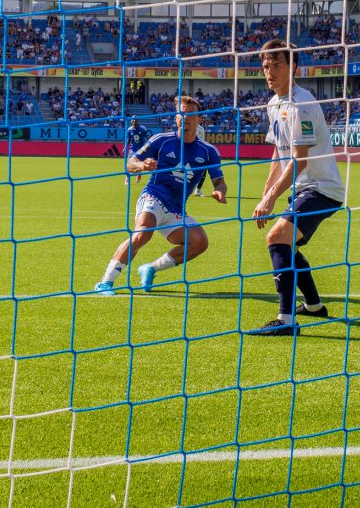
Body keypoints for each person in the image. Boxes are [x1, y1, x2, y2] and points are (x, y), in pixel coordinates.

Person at [247, 39, 345, 336]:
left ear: (294, 68)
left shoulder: (301, 103)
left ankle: (286, 319)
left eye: (277, 65)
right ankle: (314, 306)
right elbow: (279, 153)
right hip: (303, 189)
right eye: (266, 65)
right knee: (285, 243)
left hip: (322, 189)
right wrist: (267, 193)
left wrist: (272, 198)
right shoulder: (273, 104)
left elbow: (300, 160)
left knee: (277, 236)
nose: (269, 71)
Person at [95, 96, 227, 295]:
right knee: (142, 233)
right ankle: (105, 282)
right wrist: (141, 165)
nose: (186, 117)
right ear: (175, 118)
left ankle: (151, 268)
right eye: (181, 113)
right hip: (153, 197)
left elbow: (220, 181)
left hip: (176, 209)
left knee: (200, 242)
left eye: (191, 114)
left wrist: (220, 191)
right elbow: (130, 162)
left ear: (199, 119)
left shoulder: (209, 151)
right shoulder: (161, 140)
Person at [124, 116, 149, 186]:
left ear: (138, 121)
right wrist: (125, 146)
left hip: (141, 149)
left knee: (140, 163)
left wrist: (146, 146)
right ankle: (127, 179)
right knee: (128, 164)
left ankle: (139, 174)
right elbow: (128, 140)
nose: (134, 122)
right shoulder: (129, 129)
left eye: (135, 120)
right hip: (132, 149)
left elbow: (145, 138)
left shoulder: (143, 128)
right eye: (133, 120)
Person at [194, 123, 207, 197]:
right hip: (186, 150)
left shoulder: (201, 129)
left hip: (198, 152)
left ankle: (198, 190)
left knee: (203, 171)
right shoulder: (185, 125)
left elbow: (202, 141)